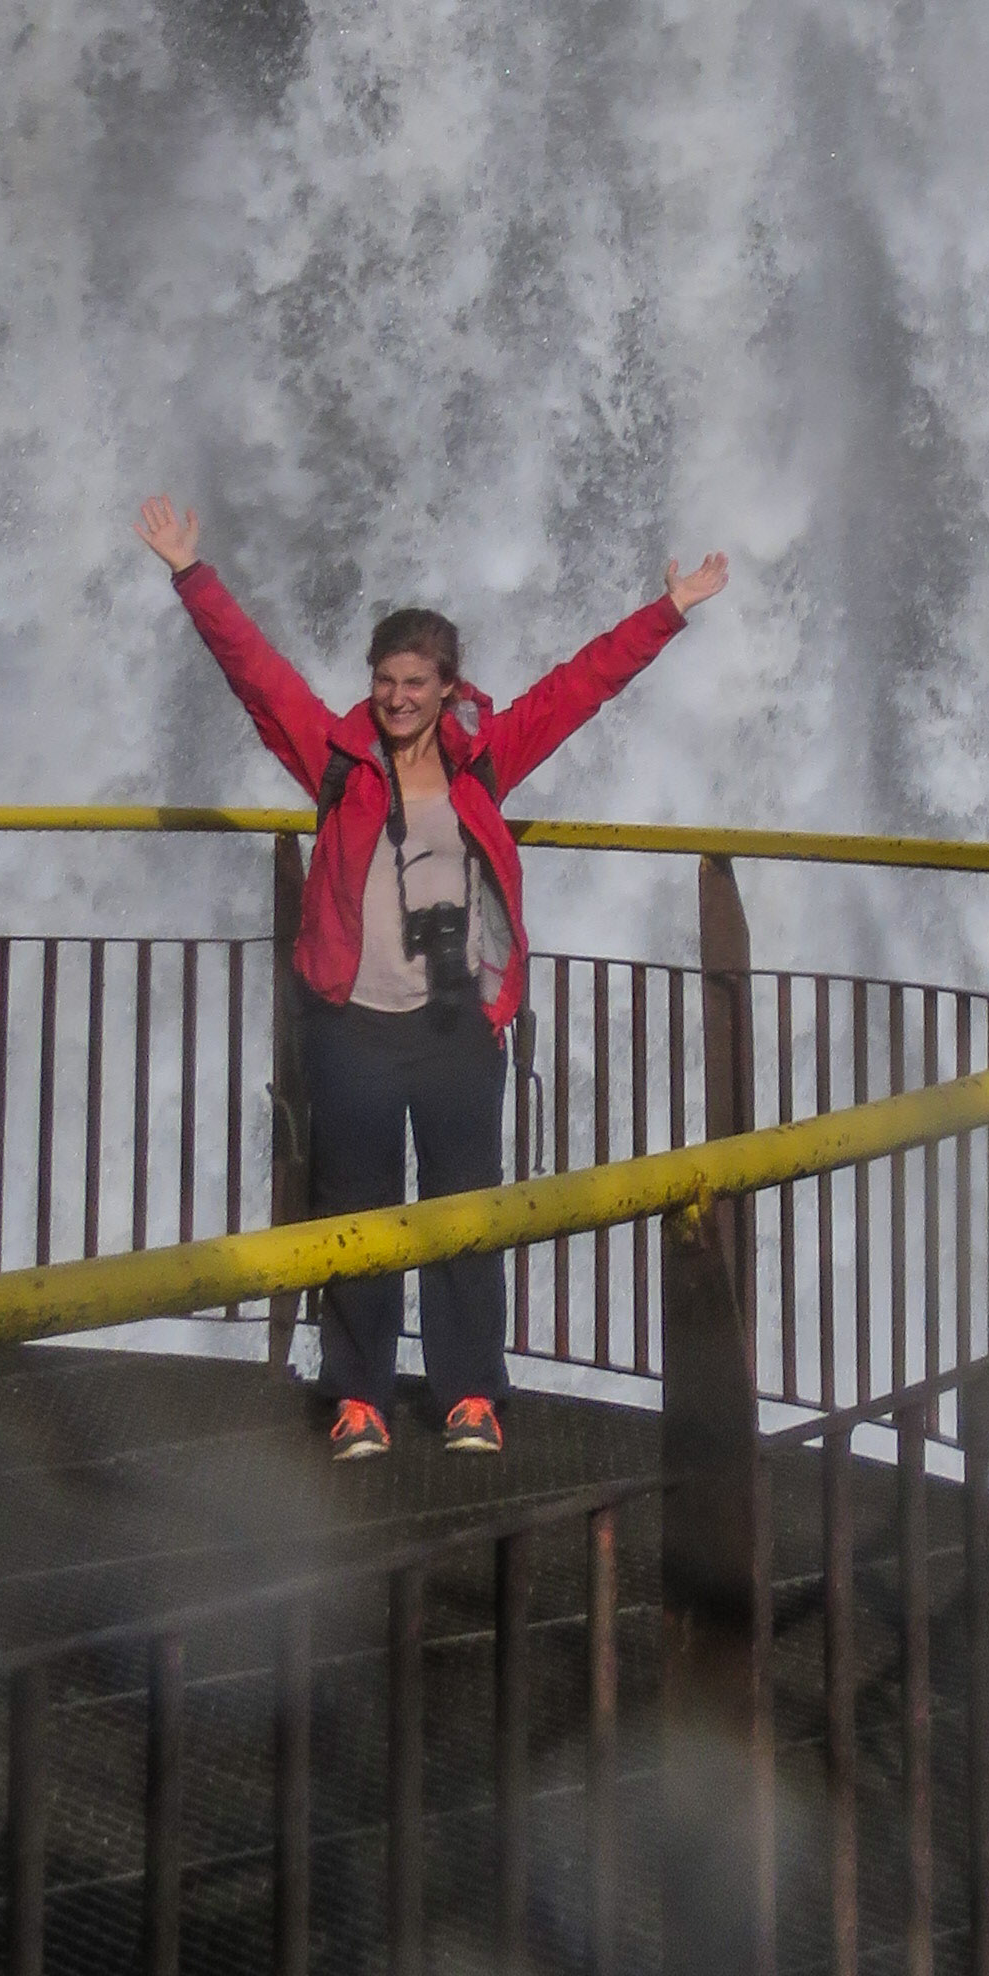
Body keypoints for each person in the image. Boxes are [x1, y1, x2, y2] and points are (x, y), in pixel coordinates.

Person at [138, 496, 728, 1460]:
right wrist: (189, 574)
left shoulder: (482, 760)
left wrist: (669, 609)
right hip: (353, 1027)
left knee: (466, 1216)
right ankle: (358, 1397)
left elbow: (582, 686)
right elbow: (254, 671)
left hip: (456, 1026)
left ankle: (471, 1395)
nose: (397, 697)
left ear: (448, 687)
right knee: (355, 1219)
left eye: (415, 682)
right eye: (384, 680)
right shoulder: (336, 759)